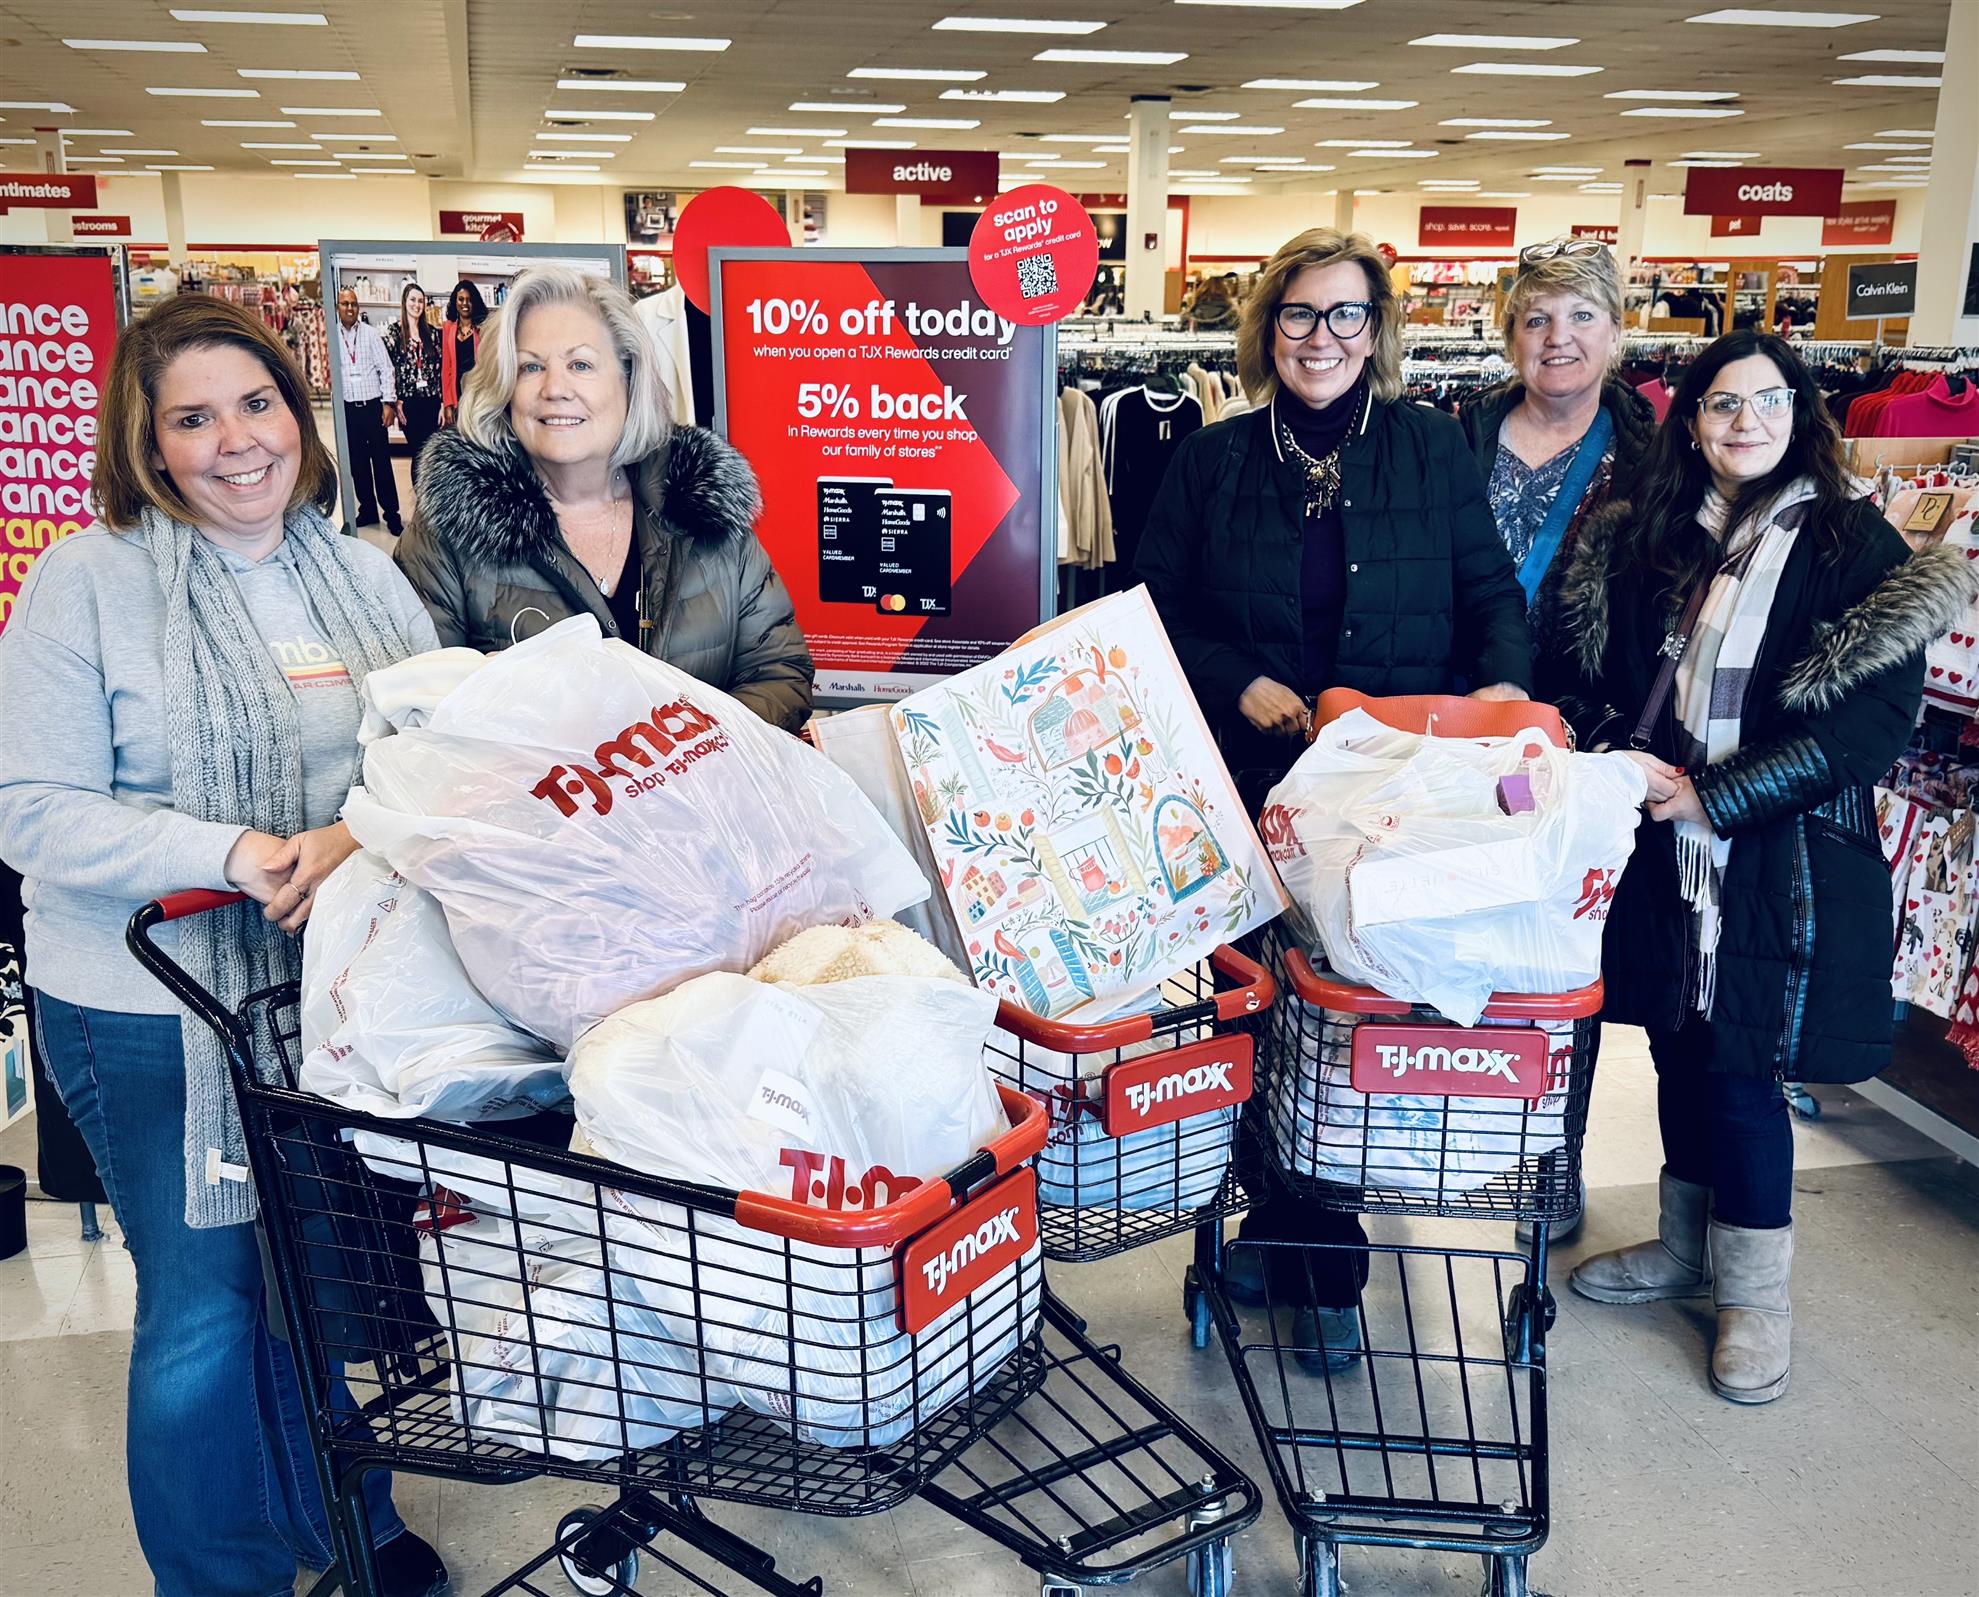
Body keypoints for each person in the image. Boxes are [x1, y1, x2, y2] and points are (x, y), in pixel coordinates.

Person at [0, 295, 449, 1596]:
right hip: (146, 1004)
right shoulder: (88, 581)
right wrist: (233, 852)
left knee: (314, 1275)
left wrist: (353, 835)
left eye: (256, 404)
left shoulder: (362, 572)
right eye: (191, 418)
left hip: (324, 998)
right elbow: (30, 808)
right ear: (144, 443)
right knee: (208, 1301)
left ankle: (339, 1518)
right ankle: (220, 1576)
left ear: (297, 414)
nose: (236, 441)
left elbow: (435, 758)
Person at [1544, 331, 1977, 1405]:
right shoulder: (1648, 534)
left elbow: (1867, 724)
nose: (1746, 422)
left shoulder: (1850, 541)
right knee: (1675, 1043)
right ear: (1690, 420)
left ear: (1800, 413)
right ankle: (1681, 1245)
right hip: (1657, 841)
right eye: (1722, 403)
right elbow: (1591, 673)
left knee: (1739, 1066)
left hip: (1774, 851)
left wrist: (1717, 795)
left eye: (1768, 400)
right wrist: (1622, 761)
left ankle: (1754, 1297)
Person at [1135, 227, 1531, 1369]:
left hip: (1384, 789)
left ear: (1376, 328)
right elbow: (1151, 605)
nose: (1322, 337)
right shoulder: (1210, 458)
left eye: (1345, 313)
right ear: (1268, 330)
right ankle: (1282, 1232)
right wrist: (1234, 677)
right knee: (1258, 1010)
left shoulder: (1428, 447)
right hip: (1248, 783)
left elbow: (1486, 590)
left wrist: (1502, 685)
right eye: (1300, 314)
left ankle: (1322, 1269)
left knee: (1348, 1013)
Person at [1461, 238, 1657, 1246]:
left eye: (1581, 317)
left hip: (1579, 736)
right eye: (1536, 318)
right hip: (1456, 723)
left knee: (1563, 948)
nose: (1557, 338)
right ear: (1509, 335)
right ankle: (1427, 1130)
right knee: (1445, 922)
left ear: (1615, 333)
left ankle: (1551, 1154)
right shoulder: (1455, 435)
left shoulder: (1655, 458)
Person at [397, 264, 813, 730]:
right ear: (504, 389)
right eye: (531, 366)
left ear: (628, 380)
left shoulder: (702, 504)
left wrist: (691, 754)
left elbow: (778, 672)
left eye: (580, 365)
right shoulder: (450, 533)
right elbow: (419, 711)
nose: (555, 389)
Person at [334, 284, 400, 532]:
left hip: (372, 408)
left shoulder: (371, 334)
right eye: (345, 304)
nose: (349, 308)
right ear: (338, 307)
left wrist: (388, 403)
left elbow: (387, 369)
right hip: (349, 410)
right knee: (358, 464)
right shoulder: (332, 335)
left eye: (353, 304)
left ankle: (392, 514)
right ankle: (368, 510)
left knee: (381, 463)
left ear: (358, 307)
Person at [385, 281, 444, 485]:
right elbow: (388, 369)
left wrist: (442, 403)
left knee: (431, 453)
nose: (417, 305)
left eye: (420, 301)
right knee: (418, 452)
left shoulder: (433, 334)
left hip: (431, 402)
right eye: (413, 300)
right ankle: (421, 495)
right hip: (407, 404)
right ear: (404, 302)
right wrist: (395, 401)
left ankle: (430, 495)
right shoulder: (394, 333)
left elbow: (440, 369)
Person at [438, 277, 488, 427]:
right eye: (461, 299)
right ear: (455, 301)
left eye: (469, 299)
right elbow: (446, 368)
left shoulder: (483, 328)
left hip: (478, 392)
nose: (465, 303)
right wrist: (447, 403)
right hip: (457, 393)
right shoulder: (448, 328)